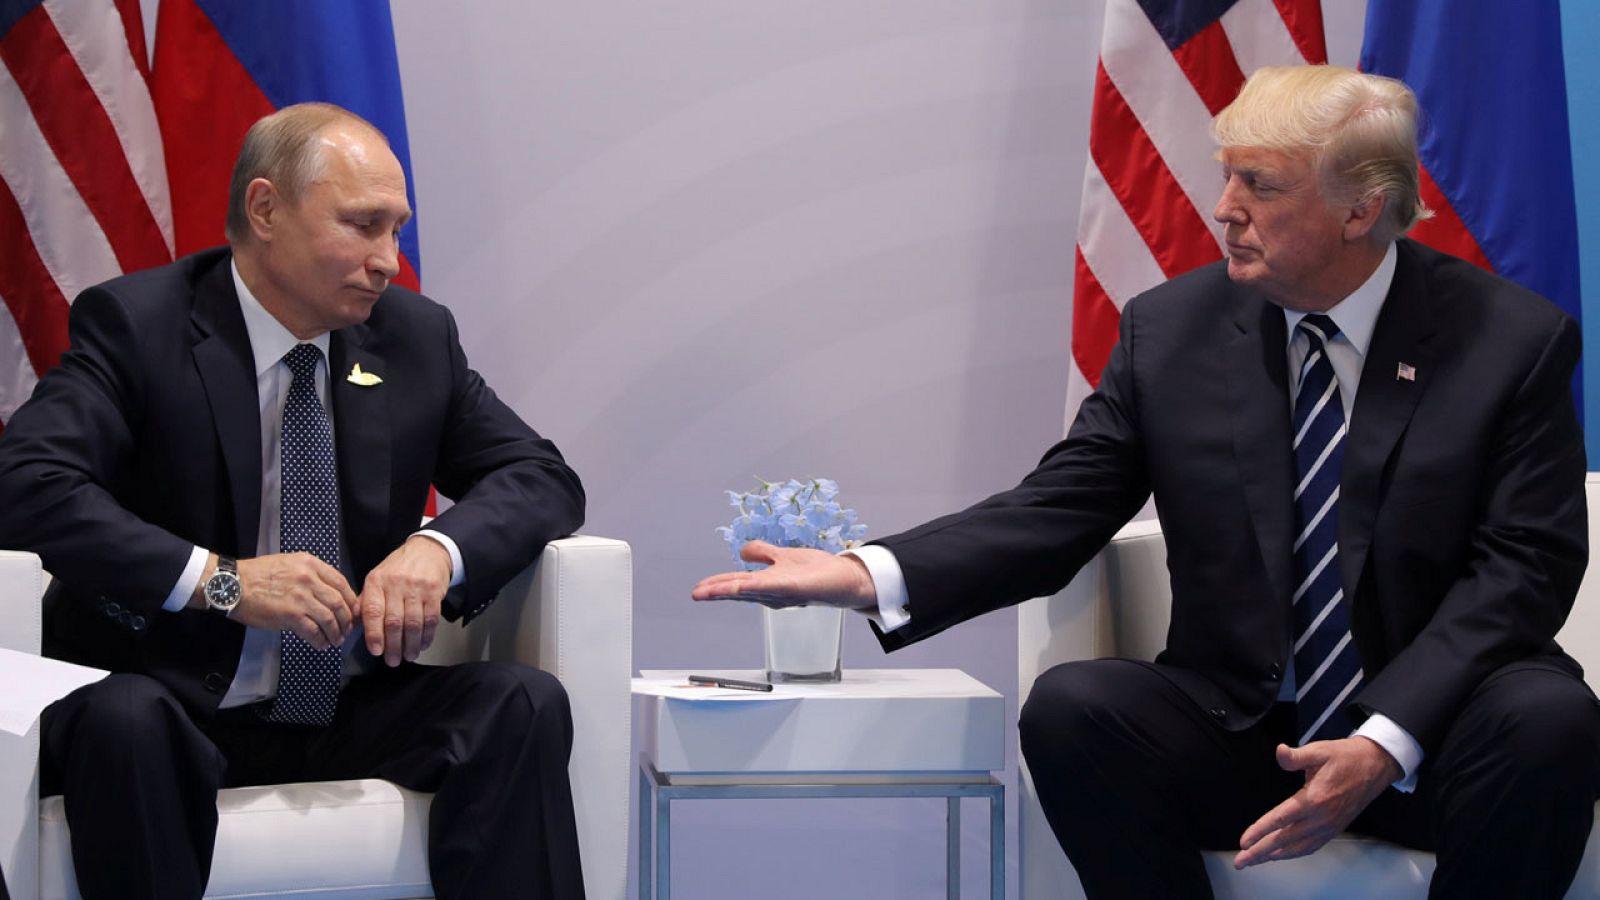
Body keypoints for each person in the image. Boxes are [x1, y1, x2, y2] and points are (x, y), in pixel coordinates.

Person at [694, 65, 1600, 898]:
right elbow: (1061, 507)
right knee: (1078, 709)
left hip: (1433, 739)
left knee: (1549, 720)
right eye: (1229, 176)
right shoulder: (1172, 332)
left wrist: (1381, 738)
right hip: (1245, 729)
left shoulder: (1509, 341)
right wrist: (864, 574)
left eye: (1262, 185)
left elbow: (1525, 566)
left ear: (1361, 210)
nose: (1223, 208)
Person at [0, 103, 587, 899]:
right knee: (126, 720)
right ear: (266, 209)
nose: (388, 259)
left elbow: (541, 476)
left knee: (521, 701)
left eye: (397, 230)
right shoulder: (142, 326)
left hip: (346, 704)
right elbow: (25, 483)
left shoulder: (414, 338)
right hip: (170, 701)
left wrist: (435, 551)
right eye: (363, 225)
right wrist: (224, 580)